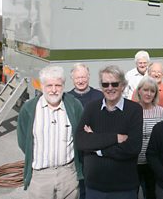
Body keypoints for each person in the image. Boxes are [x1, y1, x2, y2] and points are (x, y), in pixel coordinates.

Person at [75, 65, 143, 199]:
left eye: (114, 84)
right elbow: (81, 141)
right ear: (101, 87)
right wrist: (116, 138)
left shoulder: (134, 110)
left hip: (124, 188)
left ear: (123, 86)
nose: (110, 88)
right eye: (105, 84)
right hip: (95, 188)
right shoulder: (91, 108)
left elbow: (133, 147)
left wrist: (97, 146)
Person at [17, 65, 83, 199]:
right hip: (40, 177)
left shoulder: (74, 105)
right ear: (42, 86)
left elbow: (81, 136)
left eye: (58, 85)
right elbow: (24, 141)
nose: (54, 90)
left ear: (63, 85)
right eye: (49, 85)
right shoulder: (29, 109)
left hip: (68, 174)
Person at [67, 63, 103, 199]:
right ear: (72, 79)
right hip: (75, 150)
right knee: (79, 185)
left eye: (83, 77)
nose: (81, 81)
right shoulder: (67, 98)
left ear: (88, 77)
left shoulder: (99, 96)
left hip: (96, 149)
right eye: (77, 78)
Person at [135, 76, 163, 199]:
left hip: (153, 162)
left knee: (151, 193)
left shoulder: (160, 111)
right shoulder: (132, 109)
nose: (148, 94)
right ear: (139, 91)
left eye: (152, 91)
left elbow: (162, 138)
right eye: (145, 90)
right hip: (135, 161)